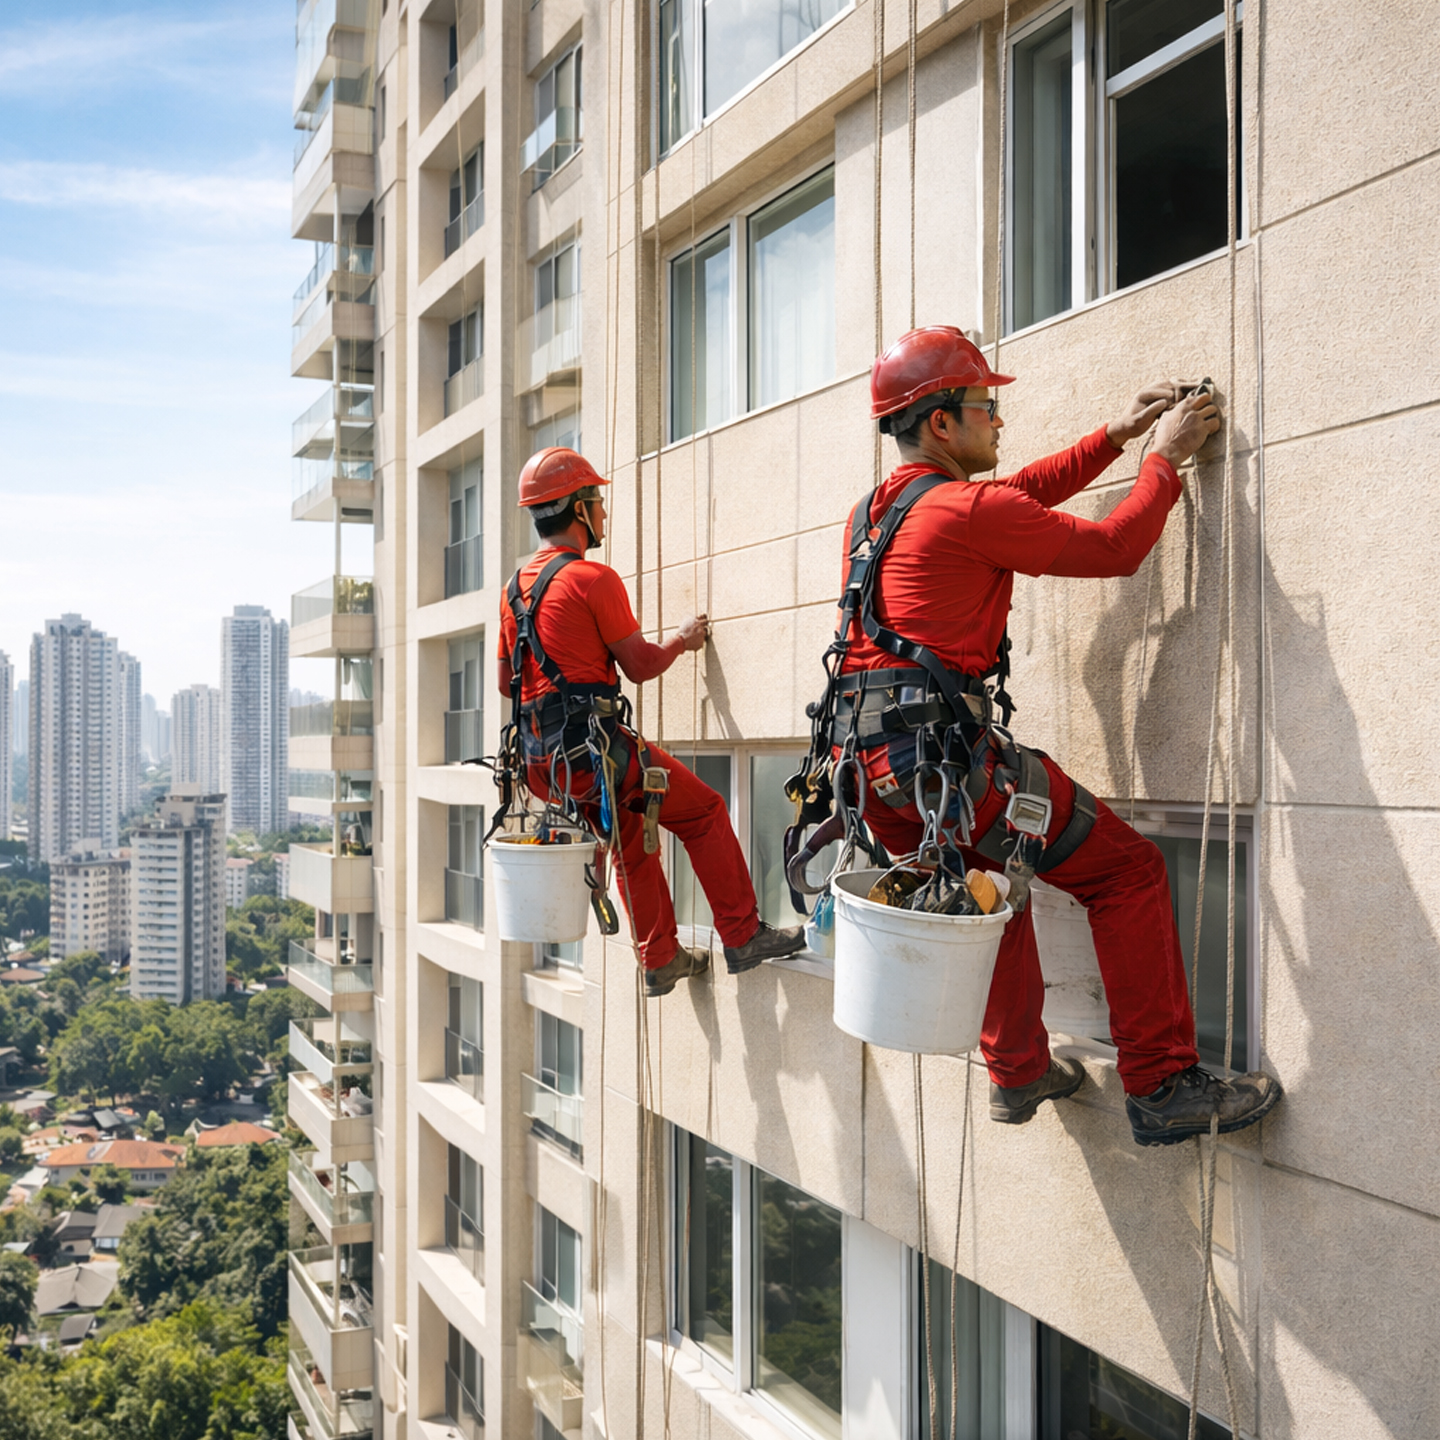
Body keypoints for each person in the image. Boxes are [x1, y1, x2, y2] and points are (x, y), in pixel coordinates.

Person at [827, 326, 1281, 1146]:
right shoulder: (968, 509)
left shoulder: (878, 511)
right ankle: (1162, 1083)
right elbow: (1116, 549)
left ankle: (1019, 1069)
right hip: (943, 766)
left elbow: (1019, 496)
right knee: (1128, 872)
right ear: (941, 424)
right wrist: (1164, 461)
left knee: (982, 890)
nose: (999, 421)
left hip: (873, 775)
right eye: (986, 406)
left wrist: (1113, 437)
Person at [498, 447, 805, 997]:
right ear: (578, 509)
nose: (604, 514)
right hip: (593, 753)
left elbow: (507, 683)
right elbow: (639, 666)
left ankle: (660, 958)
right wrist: (682, 641)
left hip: (545, 764)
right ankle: (742, 935)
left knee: (631, 837)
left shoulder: (514, 590)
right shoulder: (591, 578)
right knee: (705, 812)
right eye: (597, 502)